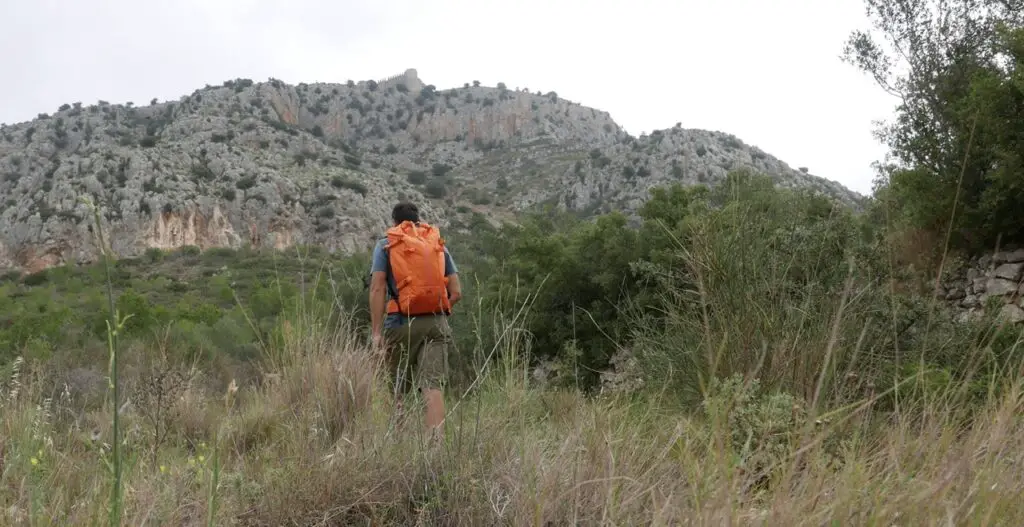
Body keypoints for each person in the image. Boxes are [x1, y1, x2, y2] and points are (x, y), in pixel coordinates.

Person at [368, 201, 462, 441]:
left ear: (394, 222)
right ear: (417, 219)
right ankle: (435, 446)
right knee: (432, 385)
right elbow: (456, 291)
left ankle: (397, 441)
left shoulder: (387, 244)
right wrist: (437, 309)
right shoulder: (436, 243)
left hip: (400, 323)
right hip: (436, 323)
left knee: (396, 387)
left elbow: (378, 288)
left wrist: (377, 333)